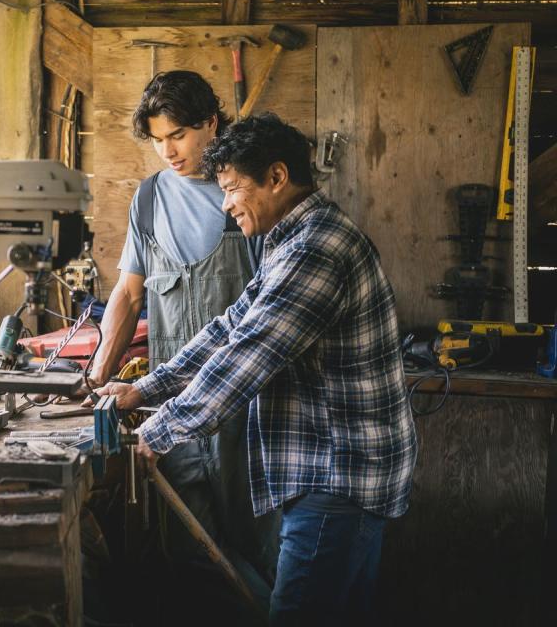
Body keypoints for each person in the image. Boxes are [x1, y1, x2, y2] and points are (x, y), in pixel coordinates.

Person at [92, 113, 418, 624]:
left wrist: (158, 432)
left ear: (277, 177)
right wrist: (145, 389)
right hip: (329, 471)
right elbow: (229, 328)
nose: (226, 205)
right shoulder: (288, 241)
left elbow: (250, 357)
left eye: (233, 189)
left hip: (336, 476)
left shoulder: (316, 250)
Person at [84, 71, 274, 602]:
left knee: (260, 543)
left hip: (248, 411)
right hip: (172, 409)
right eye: (158, 139)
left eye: (179, 135)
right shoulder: (148, 199)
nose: (168, 151)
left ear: (211, 123)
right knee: (188, 550)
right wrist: (98, 371)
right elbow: (127, 295)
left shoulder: (248, 191)